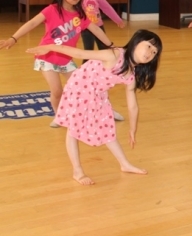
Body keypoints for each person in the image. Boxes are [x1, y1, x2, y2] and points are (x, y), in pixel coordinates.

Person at [24, 29, 162, 185]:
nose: (151, 52)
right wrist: (49, 47)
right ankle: (77, 171)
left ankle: (125, 164)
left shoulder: (130, 75)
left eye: (154, 52)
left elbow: (133, 106)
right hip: (79, 88)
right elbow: (80, 53)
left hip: (97, 93)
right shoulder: (114, 55)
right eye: (149, 46)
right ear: (136, 41)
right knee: (73, 130)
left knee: (107, 128)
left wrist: (132, 128)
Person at [0, 0, 113, 128]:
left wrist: (111, 45)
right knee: (57, 91)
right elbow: (32, 23)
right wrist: (13, 39)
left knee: (83, 85)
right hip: (47, 57)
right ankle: (58, 116)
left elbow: (97, 30)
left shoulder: (80, 15)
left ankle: (100, 111)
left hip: (66, 60)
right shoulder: (52, 10)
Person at [81, 0, 127, 121]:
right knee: (88, 51)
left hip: (98, 26)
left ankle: (107, 73)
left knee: (106, 51)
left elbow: (107, 7)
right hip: (86, 27)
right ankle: (84, 78)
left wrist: (118, 20)